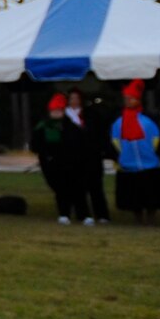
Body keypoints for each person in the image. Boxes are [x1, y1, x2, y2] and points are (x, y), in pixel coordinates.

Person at [109, 79, 160, 224]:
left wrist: (158, 156)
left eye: (131, 99)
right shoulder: (118, 122)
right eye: (126, 99)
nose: (128, 101)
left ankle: (151, 217)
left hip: (151, 164)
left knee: (152, 195)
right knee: (134, 197)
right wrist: (119, 158)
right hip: (129, 165)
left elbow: (158, 139)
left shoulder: (149, 119)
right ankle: (138, 218)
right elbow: (114, 141)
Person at [31, 93, 92, 225]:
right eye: (54, 110)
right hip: (53, 165)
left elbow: (81, 144)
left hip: (73, 164)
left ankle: (83, 215)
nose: (56, 113)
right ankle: (64, 214)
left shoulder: (72, 127)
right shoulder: (42, 127)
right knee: (61, 190)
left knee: (78, 190)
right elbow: (35, 145)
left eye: (59, 110)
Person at [65, 88, 113, 222]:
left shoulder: (91, 114)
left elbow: (100, 133)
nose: (74, 101)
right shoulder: (65, 116)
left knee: (96, 187)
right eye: (71, 98)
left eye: (76, 98)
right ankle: (83, 214)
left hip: (92, 156)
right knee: (78, 188)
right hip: (73, 158)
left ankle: (102, 215)